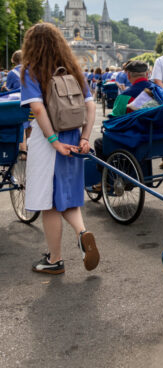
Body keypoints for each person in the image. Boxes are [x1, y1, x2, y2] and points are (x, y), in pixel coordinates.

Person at [20, 23, 99, 275]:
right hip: (74, 137)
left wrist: (53, 141)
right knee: (66, 196)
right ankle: (82, 233)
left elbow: (39, 109)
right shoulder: (74, 70)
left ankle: (55, 260)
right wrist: (85, 138)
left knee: (48, 202)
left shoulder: (32, 72)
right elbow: (91, 106)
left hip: (49, 141)